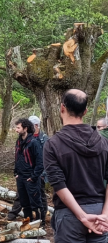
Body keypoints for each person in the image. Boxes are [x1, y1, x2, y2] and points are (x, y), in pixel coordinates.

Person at [44, 89, 108, 242]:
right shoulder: (103, 142)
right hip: (100, 214)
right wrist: (105, 214)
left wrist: (83, 216)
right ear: (85, 111)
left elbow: (59, 185)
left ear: (62, 108)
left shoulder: (53, 144)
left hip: (70, 215)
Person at [14, 118, 44, 223]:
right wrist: (16, 173)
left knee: (36, 203)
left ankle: (40, 224)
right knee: (24, 203)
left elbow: (40, 162)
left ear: (25, 128)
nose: (16, 130)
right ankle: (28, 223)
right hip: (21, 178)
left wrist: (34, 177)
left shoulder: (34, 142)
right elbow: (17, 158)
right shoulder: (18, 142)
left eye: (18, 127)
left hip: (31, 178)